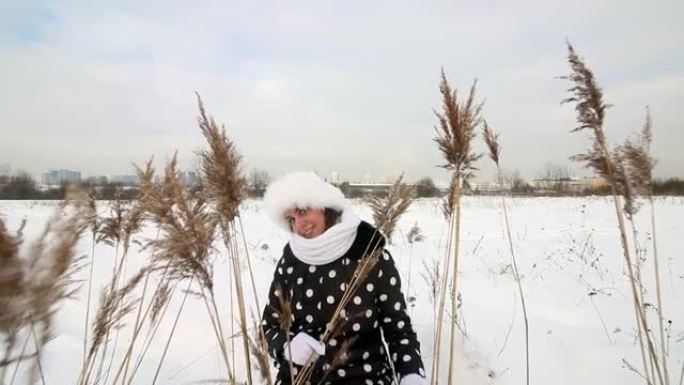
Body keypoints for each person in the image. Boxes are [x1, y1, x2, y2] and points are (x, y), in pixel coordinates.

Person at [261, 171, 427, 385]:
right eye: (291, 219)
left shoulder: (371, 256)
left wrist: (411, 374)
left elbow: (397, 328)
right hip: (301, 379)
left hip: (365, 377)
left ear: (324, 207)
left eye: (303, 211)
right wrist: (286, 347)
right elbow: (270, 325)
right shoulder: (291, 259)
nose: (299, 225)